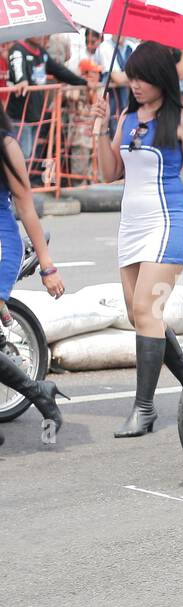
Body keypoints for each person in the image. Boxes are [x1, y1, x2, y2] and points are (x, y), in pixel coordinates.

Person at [91, 41, 183, 439]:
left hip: (167, 223)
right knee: (140, 315)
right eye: (131, 77)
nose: (134, 84)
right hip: (131, 226)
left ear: (160, 80)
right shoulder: (125, 119)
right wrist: (100, 127)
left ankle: (144, 408)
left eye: (142, 78)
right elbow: (107, 172)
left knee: (147, 311)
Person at [0, 111, 66, 446]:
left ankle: (37, 392)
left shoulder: (7, 144)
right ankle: (39, 391)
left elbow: (25, 207)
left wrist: (47, 265)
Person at [6, 35, 88, 162]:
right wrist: (21, 81)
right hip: (20, 114)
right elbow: (18, 71)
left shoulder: (41, 52)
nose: (42, 35)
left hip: (36, 113)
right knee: (22, 155)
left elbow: (59, 70)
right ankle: (15, 181)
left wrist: (83, 82)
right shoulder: (17, 49)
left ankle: (22, 181)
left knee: (28, 155)